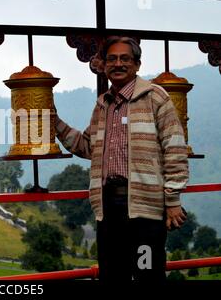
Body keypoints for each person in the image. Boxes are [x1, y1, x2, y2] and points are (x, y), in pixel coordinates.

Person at [55, 36, 188, 282]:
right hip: (108, 208)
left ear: (137, 64)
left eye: (125, 58)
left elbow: (175, 149)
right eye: (112, 59)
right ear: (104, 65)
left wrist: (172, 199)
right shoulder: (103, 105)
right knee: (113, 273)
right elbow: (87, 146)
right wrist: (55, 123)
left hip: (145, 209)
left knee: (147, 272)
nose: (118, 64)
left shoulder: (155, 98)